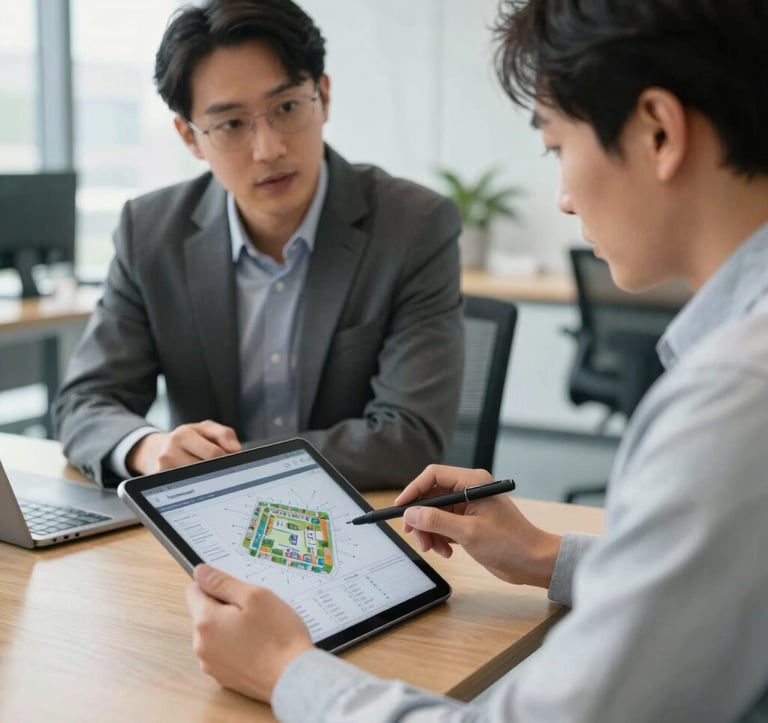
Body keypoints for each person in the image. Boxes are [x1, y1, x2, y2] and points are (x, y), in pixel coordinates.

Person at [185, 0, 768, 720]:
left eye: (556, 146)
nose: (559, 197)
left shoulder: (735, 397)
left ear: (657, 130)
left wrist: (285, 669)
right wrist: (545, 553)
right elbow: (720, 584)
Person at [52, 0, 464, 491]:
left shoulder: (413, 226)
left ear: (323, 97)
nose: (268, 148)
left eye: (286, 108)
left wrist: (221, 467)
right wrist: (151, 448)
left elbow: (409, 438)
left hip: (359, 523)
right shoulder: (151, 231)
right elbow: (85, 403)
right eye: (231, 124)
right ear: (190, 137)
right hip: (206, 533)